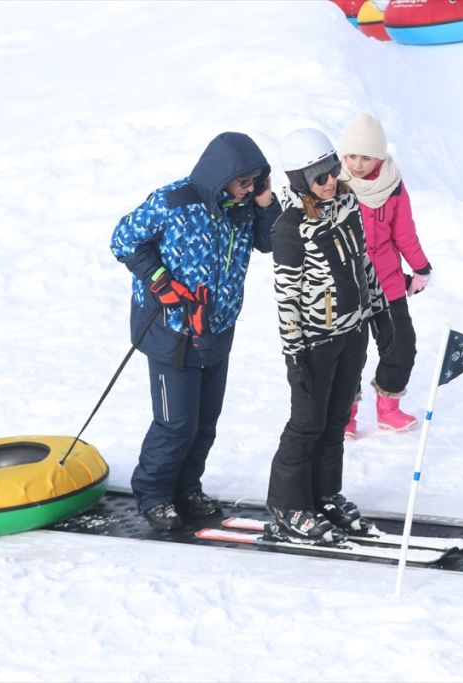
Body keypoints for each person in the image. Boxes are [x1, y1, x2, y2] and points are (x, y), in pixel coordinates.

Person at [110, 132, 281, 531]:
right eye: (245, 181)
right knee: (175, 424)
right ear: (222, 174)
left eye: (256, 181)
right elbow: (123, 239)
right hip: (172, 331)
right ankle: (153, 494)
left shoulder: (245, 207)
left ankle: (187, 488)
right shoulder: (174, 201)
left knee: (205, 423)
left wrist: (265, 203)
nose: (249, 188)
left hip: (217, 330)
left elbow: (269, 243)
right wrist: (159, 280)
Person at [265, 127, 390, 544]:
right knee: (306, 424)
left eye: (332, 169)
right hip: (314, 342)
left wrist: (379, 315)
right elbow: (287, 298)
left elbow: (363, 263)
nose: (331, 180)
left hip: (351, 333)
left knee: (336, 421)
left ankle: (324, 494)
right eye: (319, 177)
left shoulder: (346, 204)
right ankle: (288, 506)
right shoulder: (290, 227)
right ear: (300, 182)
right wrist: (294, 355)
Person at [339, 112, 432, 436]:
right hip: (348, 284)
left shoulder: (392, 184)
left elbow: (404, 232)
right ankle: (345, 413)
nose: (357, 164)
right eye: (351, 156)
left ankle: (388, 409)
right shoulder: (335, 184)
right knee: (350, 352)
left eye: (365, 157)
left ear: (378, 156)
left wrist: (420, 268)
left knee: (401, 345)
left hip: (387, 281)